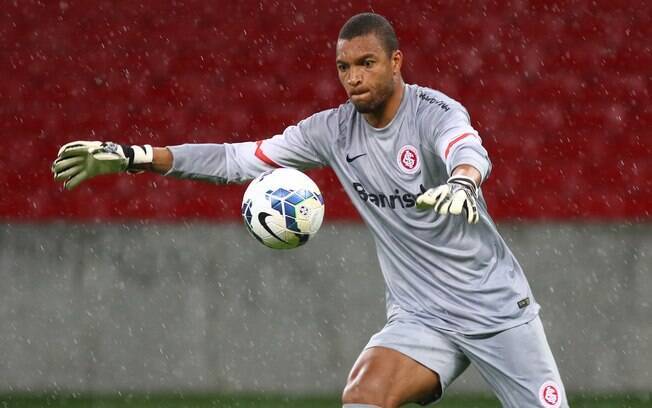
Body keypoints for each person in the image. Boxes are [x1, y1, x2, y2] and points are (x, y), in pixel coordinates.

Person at [52, 13, 567, 408]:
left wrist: (463, 181)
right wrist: (136, 157)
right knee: (363, 394)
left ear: (396, 62)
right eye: (344, 67)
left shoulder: (434, 112)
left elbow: (467, 147)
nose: (354, 78)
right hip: (422, 315)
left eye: (367, 63)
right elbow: (237, 159)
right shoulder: (331, 131)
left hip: (495, 311)